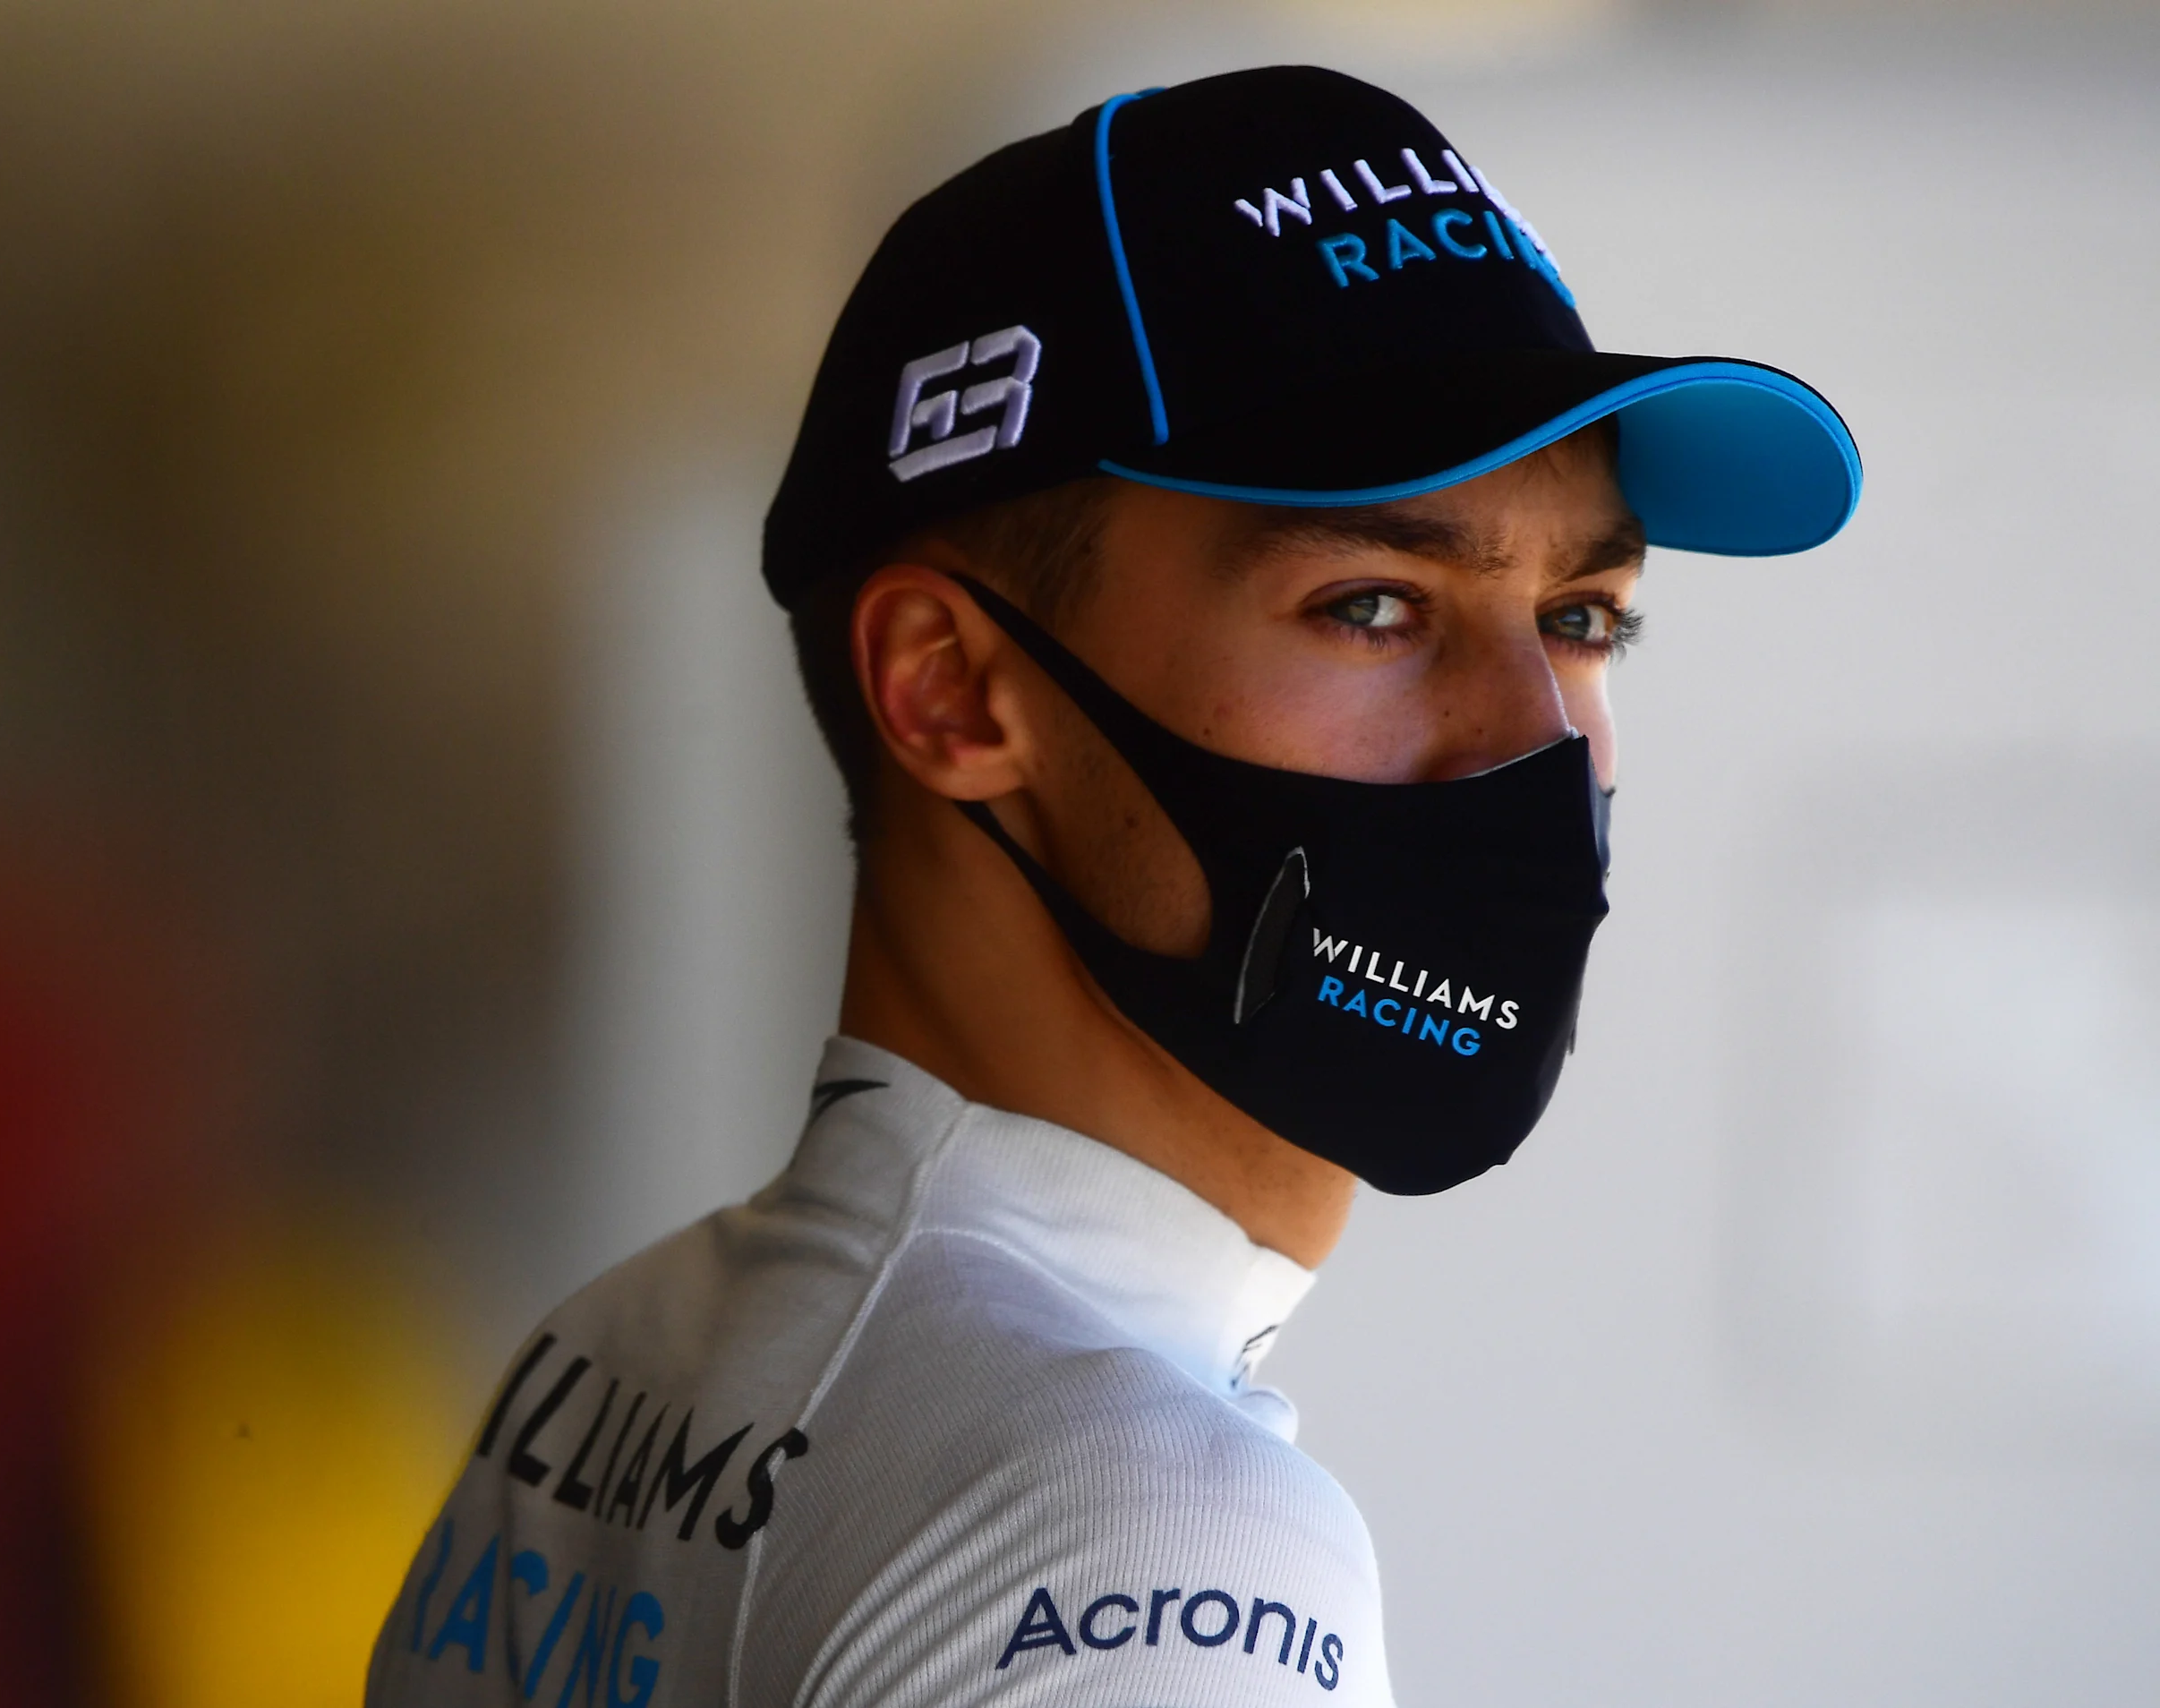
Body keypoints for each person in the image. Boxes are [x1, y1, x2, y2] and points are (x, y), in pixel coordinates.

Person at [367, 64, 1857, 1708]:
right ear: (951, 691)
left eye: (1582, 620)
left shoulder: (599, 1376)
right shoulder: (1149, 1545)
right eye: (1370, 607)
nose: (1537, 743)